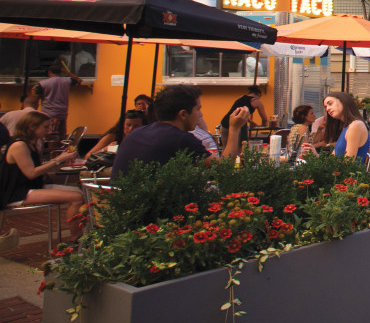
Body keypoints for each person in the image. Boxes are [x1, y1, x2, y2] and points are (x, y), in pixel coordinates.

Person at [113, 85, 248, 177]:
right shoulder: (180, 138)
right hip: (150, 215)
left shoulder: (137, 133)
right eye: (198, 109)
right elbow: (223, 167)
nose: (200, 115)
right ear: (183, 114)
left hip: (121, 209)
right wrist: (235, 128)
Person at [0, 111, 85, 242]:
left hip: (30, 187)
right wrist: (58, 160)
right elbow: (31, 173)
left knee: (79, 192)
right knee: (76, 197)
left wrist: (60, 160)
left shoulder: (31, 144)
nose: (48, 130)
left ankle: (80, 233)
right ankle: (77, 238)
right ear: (31, 127)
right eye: (45, 127)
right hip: (17, 191)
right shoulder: (19, 145)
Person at [319, 92, 370, 163]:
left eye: (330, 104)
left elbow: (348, 162)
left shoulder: (355, 126)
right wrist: (314, 155)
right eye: (325, 107)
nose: (327, 109)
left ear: (343, 101)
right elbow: (332, 161)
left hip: (348, 173)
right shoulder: (346, 127)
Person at [39, 62, 81, 141]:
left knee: (51, 135)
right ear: (60, 72)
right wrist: (67, 72)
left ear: (49, 72)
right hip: (62, 112)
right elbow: (78, 80)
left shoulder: (43, 83)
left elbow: (36, 94)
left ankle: (51, 151)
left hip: (48, 112)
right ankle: (60, 150)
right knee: (62, 134)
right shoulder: (67, 81)